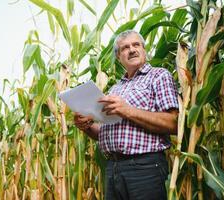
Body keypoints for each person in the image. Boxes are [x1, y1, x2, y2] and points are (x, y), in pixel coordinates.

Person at [74, 30, 179, 200]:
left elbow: (174, 123)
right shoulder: (115, 88)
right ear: (118, 56)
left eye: (136, 45)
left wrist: (127, 110)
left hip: (144, 168)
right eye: (125, 48)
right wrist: (86, 126)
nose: (131, 50)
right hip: (113, 168)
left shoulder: (159, 76)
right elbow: (105, 133)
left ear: (144, 49)